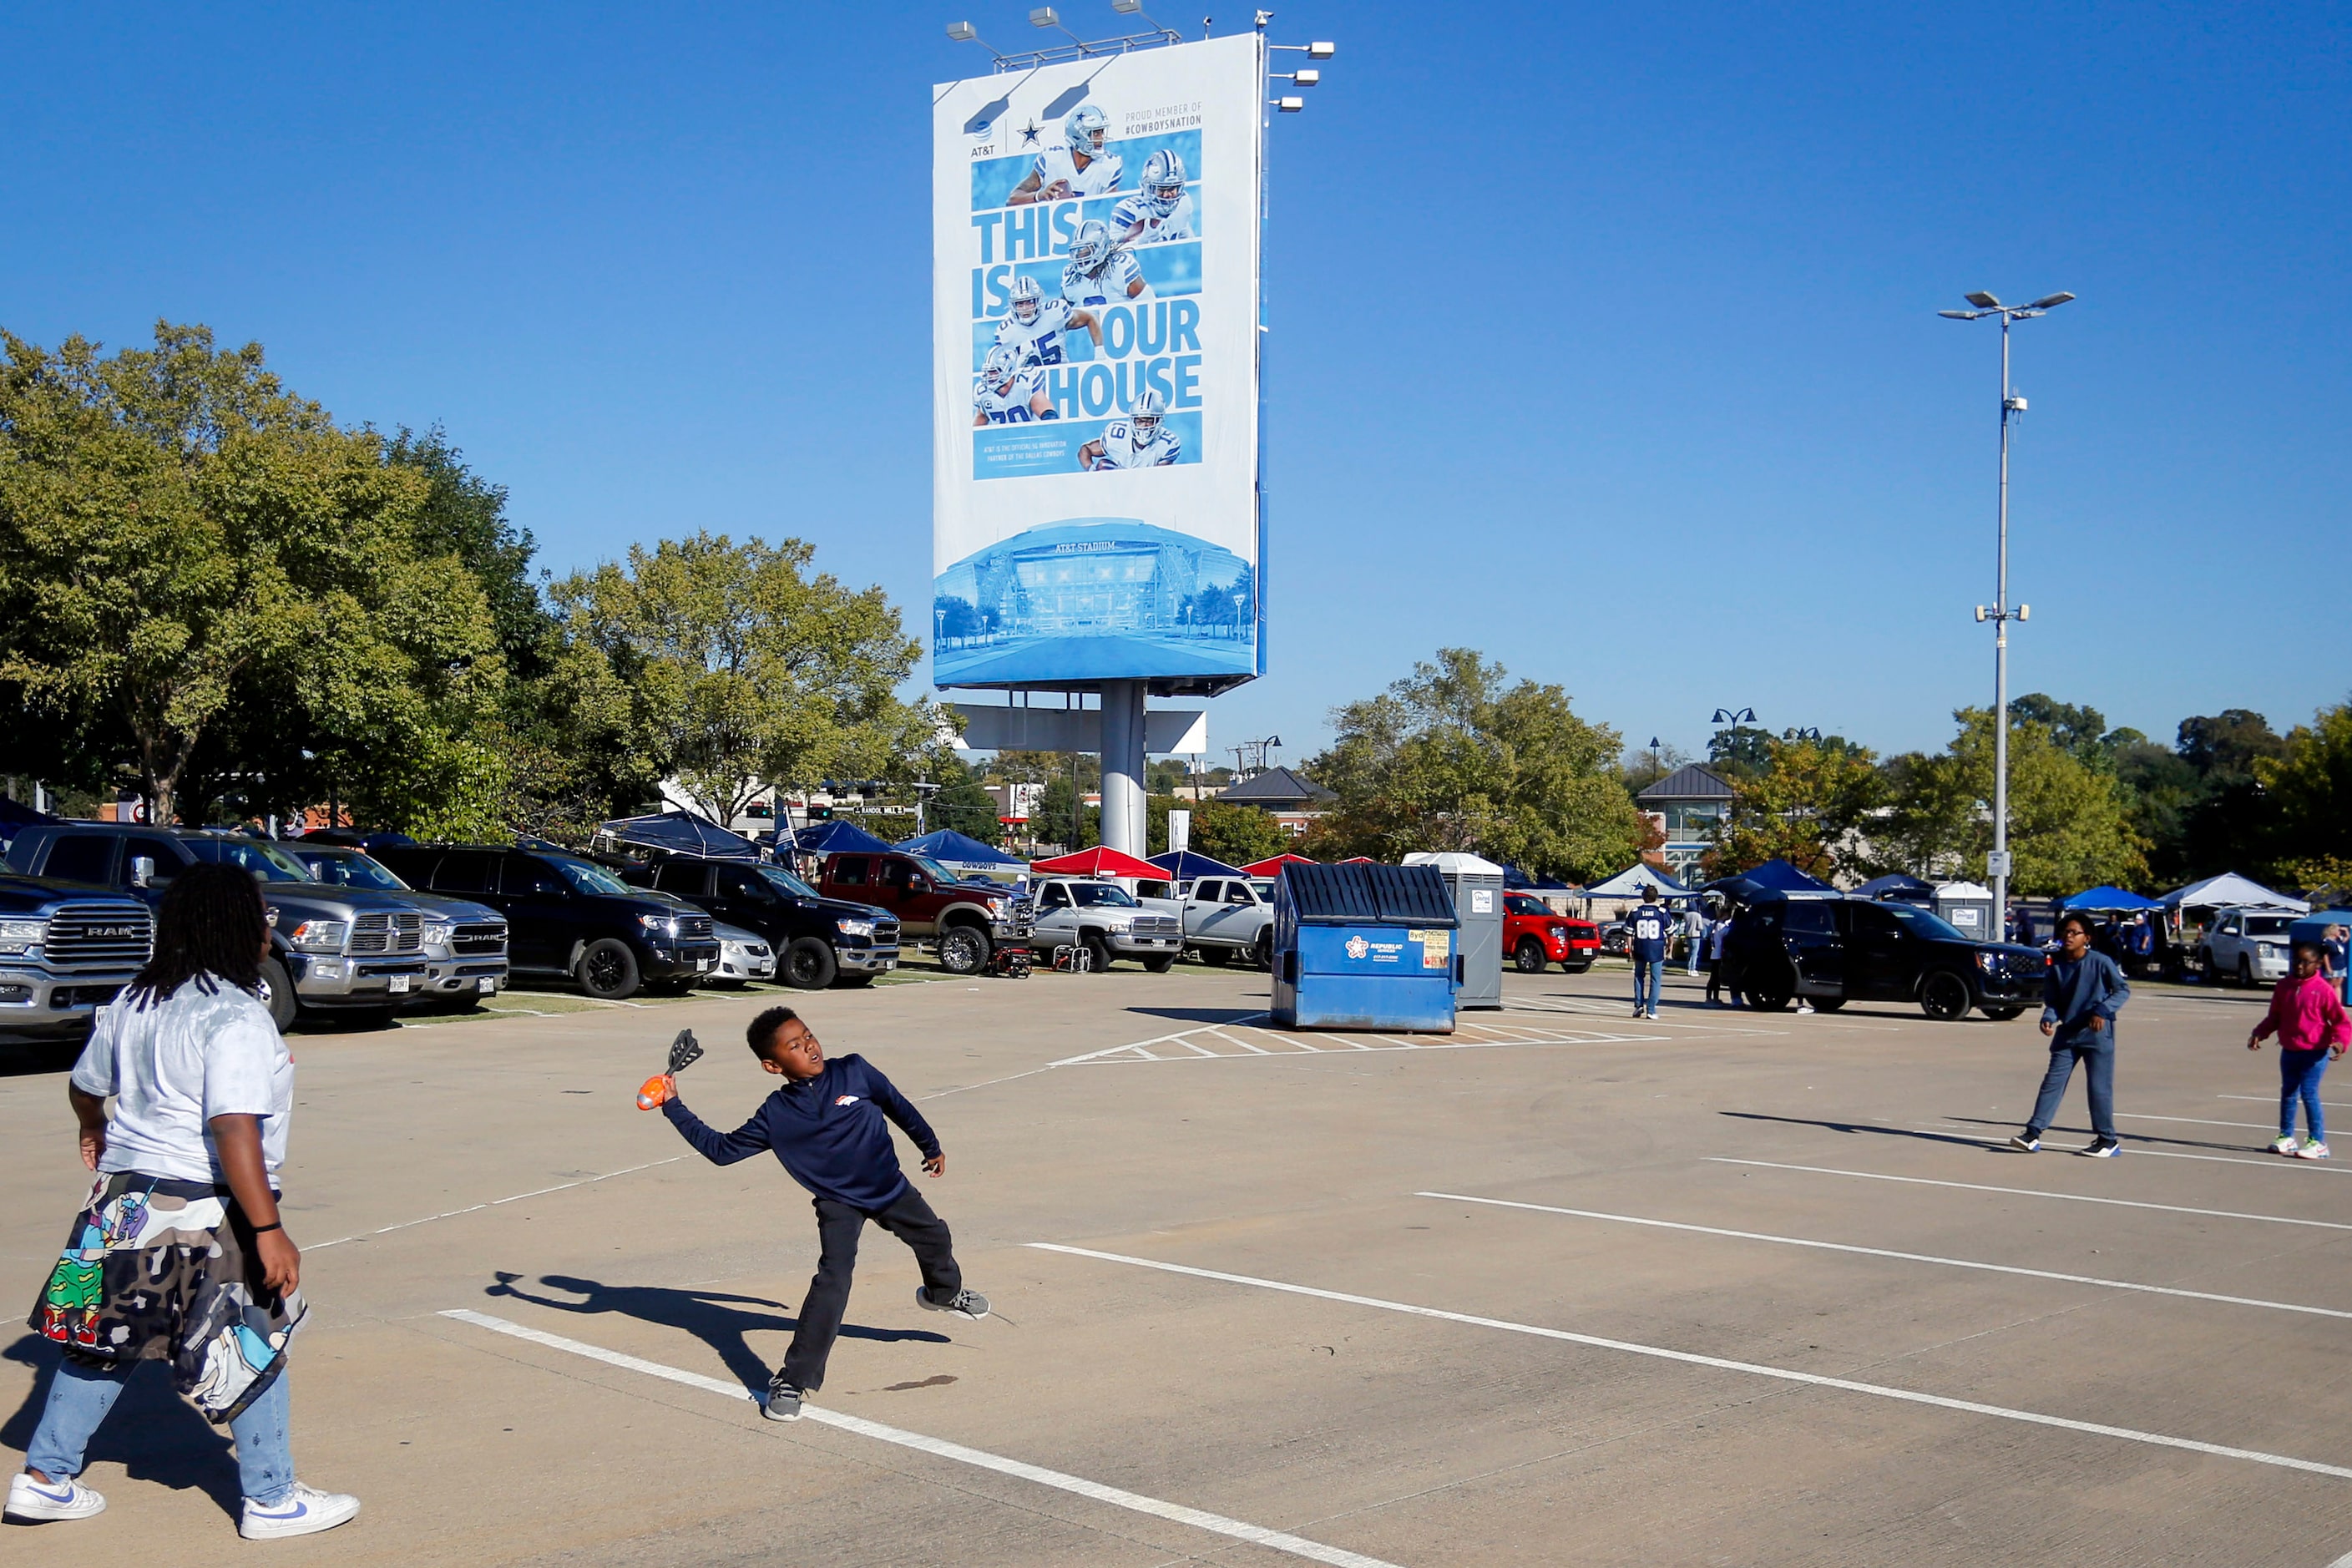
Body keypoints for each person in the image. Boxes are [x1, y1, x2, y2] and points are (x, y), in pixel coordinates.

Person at [7, 864, 358, 1538]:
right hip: (198, 1209)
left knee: (102, 1340)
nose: (269, 927)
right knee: (250, 1342)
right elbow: (233, 1125)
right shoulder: (235, 1014)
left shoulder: (135, 1001)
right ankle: (272, 1499)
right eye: (262, 913)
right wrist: (267, 1227)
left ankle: (45, 1479)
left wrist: (93, 1123)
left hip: (119, 1202)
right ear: (229, 924)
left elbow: (87, 1083)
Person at [643, 1006, 989, 1422]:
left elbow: (898, 1105)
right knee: (833, 1283)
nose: (809, 1045)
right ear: (773, 1065)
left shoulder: (855, 1071)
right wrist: (673, 1104)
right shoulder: (777, 1114)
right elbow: (721, 1151)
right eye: (794, 1045)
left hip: (889, 1188)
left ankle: (943, 1292)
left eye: (808, 1036)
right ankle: (793, 1380)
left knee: (935, 1237)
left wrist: (930, 1146)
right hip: (837, 1202)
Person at [2009, 911, 2132, 1157]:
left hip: (2097, 1034)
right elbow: (2053, 1002)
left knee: (2099, 1088)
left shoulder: (2100, 962)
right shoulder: (2056, 966)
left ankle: (2108, 1140)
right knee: (2051, 1084)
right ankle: (2032, 1134)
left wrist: (2102, 1011)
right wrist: (2048, 1019)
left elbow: (2122, 990)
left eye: (2074, 932)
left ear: (2086, 937)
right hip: (2068, 1035)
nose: (2068, 936)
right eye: (2065, 932)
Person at [2248, 942, 2352, 1159]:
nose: (2300, 966)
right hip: (2290, 1050)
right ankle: (2286, 1137)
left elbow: (2340, 1021)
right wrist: (2260, 1033)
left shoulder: (2323, 989)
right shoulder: (2284, 986)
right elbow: (2274, 1017)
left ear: (2317, 964)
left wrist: (2341, 1042)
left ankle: (2318, 1142)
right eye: (2296, 961)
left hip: (2315, 1052)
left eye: (2306, 962)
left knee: (2309, 1093)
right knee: (2288, 1093)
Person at [1627, 887, 1672, 1019]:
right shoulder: (1662, 912)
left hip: (1640, 947)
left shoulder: (1635, 912)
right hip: (1656, 948)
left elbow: (1629, 933)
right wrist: (1670, 947)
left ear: (1643, 896)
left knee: (1639, 976)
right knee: (1655, 979)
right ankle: (1651, 1009)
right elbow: (1670, 932)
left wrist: (1630, 949)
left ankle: (1639, 1004)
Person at [1704, 912, 1729, 1005]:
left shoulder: (1715, 924)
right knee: (1714, 977)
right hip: (1717, 954)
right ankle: (1709, 997)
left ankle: (1715, 997)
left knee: (1716, 978)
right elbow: (1726, 932)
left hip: (1715, 954)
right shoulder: (1720, 925)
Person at [1682, 904, 1706, 977]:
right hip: (1695, 935)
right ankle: (1693, 969)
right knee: (1695, 953)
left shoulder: (1686, 915)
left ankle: (1689, 968)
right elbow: (1700, 927)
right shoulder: (1697, 915)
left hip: (1688, 935)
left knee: (1690, 952)